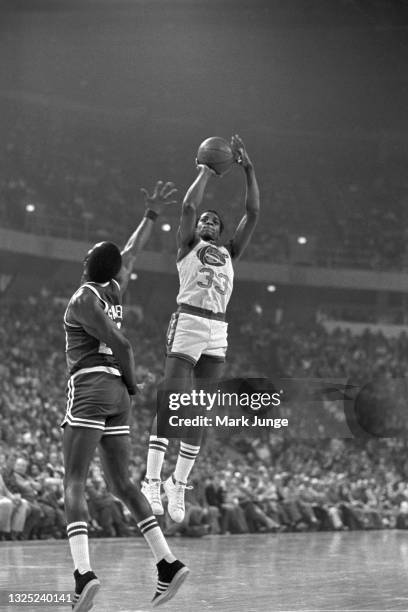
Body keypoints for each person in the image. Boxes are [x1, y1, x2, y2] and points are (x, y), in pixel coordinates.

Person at [61, 181, 189, 611]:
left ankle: (83, 575)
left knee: (74, 480)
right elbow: (131, 250)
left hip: (95, 384)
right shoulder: (117, 288)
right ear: (114, 270)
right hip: (117, 395)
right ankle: (167, 563)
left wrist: (134, 380)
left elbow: (123, 345)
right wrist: (150, 215)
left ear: (86, 264)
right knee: (121, 483)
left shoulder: (83, 297)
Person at [142, 135, 260, 523]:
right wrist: (205, 171)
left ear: (221, 231)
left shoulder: (229, 252)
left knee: (200, 414)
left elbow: (253, 214)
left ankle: (179, 484)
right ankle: (151, 480)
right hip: (189, 320)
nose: (208, 221)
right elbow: (190, 205)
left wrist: (248, 169)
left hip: (218, 330)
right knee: (172, 402)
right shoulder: (186, 245)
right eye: (205, 220)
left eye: (215, 220)